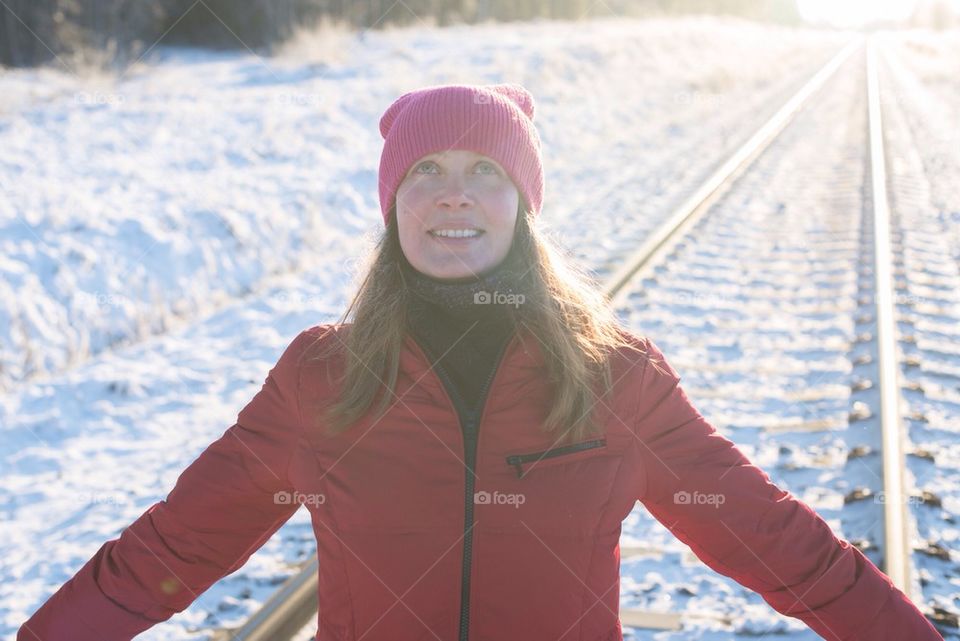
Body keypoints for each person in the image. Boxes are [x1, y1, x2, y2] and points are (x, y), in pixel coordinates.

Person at [18, 83, 943, 641]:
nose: (452, 195)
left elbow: (775, 540)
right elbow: (167, 552)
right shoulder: (320, 380)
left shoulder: (614, 377)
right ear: (392, 206)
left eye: (484, 171)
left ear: (522, 205)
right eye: (425, 171)